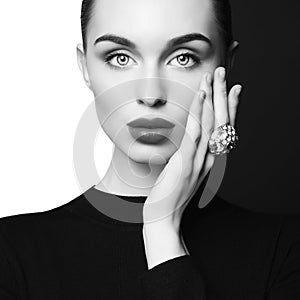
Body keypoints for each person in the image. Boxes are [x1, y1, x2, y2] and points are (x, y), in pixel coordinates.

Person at [1, 0, 300, 299]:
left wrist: (162, 231)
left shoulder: (286, 251)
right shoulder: (10, 254)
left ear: (227, 62)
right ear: (85, 67)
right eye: (119, 58)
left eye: (184, 58)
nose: (150, 95)